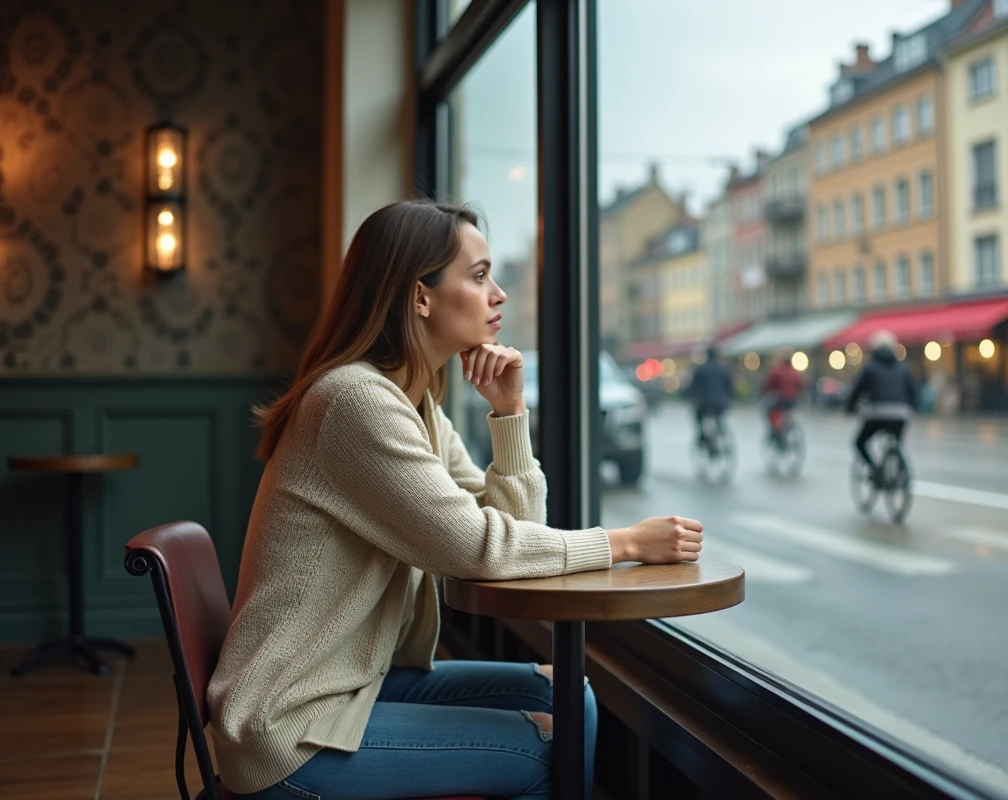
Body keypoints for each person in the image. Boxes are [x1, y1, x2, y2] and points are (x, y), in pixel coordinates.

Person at [208, 201, 704, 800]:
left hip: (359, 687)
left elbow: (510, 533)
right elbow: (479, 549)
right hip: (289, 730)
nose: (498, 294)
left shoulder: (414, 405)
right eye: (478, 276)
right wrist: (626, 543)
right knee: (548, 741)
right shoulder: (354, 402)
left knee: (564, 696)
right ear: (420, 297)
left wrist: (509, 412)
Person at [845, 330, 918, 485]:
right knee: (898, 442)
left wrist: (849, 407)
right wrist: (912, 408)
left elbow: (857, 390)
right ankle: (899, 469)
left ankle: (874, 469)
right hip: (901, 413)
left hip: (877, 413)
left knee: (859, 442)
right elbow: (913, 390)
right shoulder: (903, 367)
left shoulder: (870, 367)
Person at [687, 344, 734, 452]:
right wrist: (728, 401)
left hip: (704, 404)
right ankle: (719, 432)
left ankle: (704, 438)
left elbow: (693, 387)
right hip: (721, 404)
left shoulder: (701, 369)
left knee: (699, 419)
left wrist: (691, 399)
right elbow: (729, 387)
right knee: (719, 420)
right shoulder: (723, 369)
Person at [760, 351, 806, 444]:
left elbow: (768, 384)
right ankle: (784, 426)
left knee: (768, 410)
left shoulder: (777, 370)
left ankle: (776, 430)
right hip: (793, 400)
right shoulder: (795, 372)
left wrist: (763, 392)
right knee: (785, 414)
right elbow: (802, 385)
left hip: (781, 399)